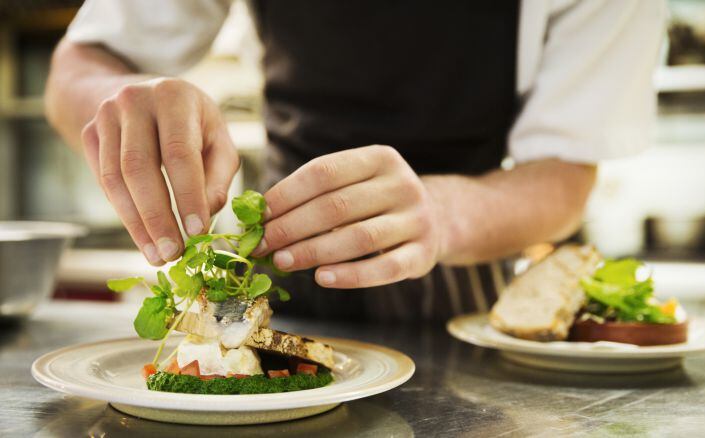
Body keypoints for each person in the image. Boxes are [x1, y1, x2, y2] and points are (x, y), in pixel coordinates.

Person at [46, 0, 666, 321]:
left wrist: (442, 215)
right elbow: (79, 67)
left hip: (468, 285)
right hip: (281, 271)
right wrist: (117, 102)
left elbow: (564, 174)